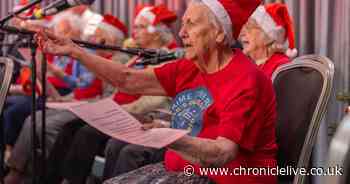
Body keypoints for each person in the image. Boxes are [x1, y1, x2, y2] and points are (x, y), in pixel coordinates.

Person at [38, 0, 278, 183]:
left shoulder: (245, 79)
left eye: (191, 24)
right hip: (181, 170)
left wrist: (171, 137)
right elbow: (127, 79)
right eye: (182, 24)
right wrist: (75, 51)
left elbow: (222, 153)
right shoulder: (189, 67)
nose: (181, 32)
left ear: (219, 34)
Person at [54, 5, 178, 183]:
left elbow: (152, 101)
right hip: (125, 110)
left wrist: (118, 109)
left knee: (89, 133)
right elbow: (120, 89)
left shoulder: (168, 58)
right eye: (135, 26)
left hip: (145, 115)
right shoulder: (138, 55)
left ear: (156, 32)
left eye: (140, 27)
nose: (134, 31)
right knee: (71, 126)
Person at [4, 10, 101, 184]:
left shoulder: (87, 53)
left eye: (63, 32)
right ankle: (15, 164)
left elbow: (83, 86)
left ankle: (24, 171)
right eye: (58, 31)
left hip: (72, 97)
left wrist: (58, 73)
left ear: (76, 32)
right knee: (12, 108)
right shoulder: (60, 50)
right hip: (52, 92)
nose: (58, 35)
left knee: (30, 117)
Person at [239, 3, 297, 78]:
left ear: (267, 36)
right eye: (242, 27)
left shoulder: (281, 68)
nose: (242, 33)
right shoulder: (251, 65)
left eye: (249, 28)